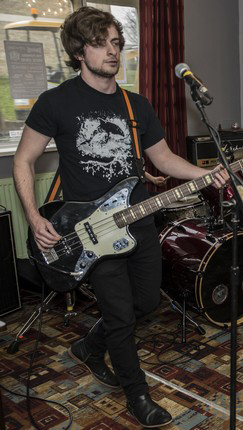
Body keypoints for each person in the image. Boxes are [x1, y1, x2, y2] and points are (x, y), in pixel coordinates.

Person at [12, 7, 229, 428]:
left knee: (146, 302)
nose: (112, 51)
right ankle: (137, 395)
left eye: (115, 42)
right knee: (120, 317)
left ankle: (89, 347)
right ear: (79, 52)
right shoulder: (56, 102)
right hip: (90, 231)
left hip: (138, 222)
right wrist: (34, 217)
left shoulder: (136, 105)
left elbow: (162, 158)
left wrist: (205, 174)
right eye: (100, 43)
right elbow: (24, 160)